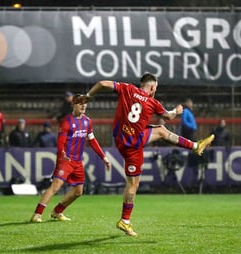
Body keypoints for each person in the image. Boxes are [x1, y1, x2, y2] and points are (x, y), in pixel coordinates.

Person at [85, 73, 214, 236]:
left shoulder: (128, 89)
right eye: (156, 88)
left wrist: (88, 96)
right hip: (133, 145)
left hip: (120, 138)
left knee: (160, 132)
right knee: (133, 184)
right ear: (152, 87)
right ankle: (124, 221)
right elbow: (168, 116)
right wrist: (177, 110)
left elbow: (102, 83)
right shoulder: (153, 103)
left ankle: (196, 146)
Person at [30, 94, 111, 223]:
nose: (83, 105)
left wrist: (104, 157)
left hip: (77, 162)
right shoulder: (67, 121)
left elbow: (93, 141)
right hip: (65, 160)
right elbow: (60, 142)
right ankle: (37, 214)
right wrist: (62, 155)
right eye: (80, 102)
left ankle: (57, 211)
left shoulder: (87, 121)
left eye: (85, 102)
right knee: (55, 186)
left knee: (78, 192)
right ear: (73, 104)